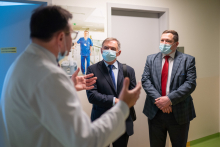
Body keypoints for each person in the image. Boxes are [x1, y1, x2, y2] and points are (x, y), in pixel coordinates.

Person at [0, 6, 142, 147]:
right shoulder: (50, 75)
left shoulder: (22, 63)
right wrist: (123, 106)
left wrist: (67, 85)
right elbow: (86, 141)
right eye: (72, 35)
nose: (73, 41)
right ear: (61, 37)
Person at [142, 30, 197, 147]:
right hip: (155, 112)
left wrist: (169, 99)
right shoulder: (151, 59)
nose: (164, 43)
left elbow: (190, 84)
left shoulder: (188, 60)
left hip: (179, 113)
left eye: (168, 41)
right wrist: (160, 101)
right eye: (162, 40)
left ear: (176, 44)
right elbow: (146, 81)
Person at [86, 38, 136, 147]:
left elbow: (131, 96)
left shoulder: (128, 70)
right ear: (101, 50)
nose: (109, 50)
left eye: (113, 48)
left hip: (122, 121)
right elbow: (92, 96)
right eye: (106, 48)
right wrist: (115, 100)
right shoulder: (92, 69)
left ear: (119, 52)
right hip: (100, 121)